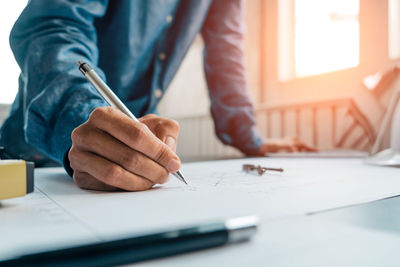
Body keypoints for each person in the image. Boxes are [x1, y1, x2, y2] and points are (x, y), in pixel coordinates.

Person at [0, 0, 315, 192]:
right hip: (38, 151)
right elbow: (56, 25)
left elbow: (226, 53)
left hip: (132, 158)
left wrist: (252, 141)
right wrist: (80, 115)